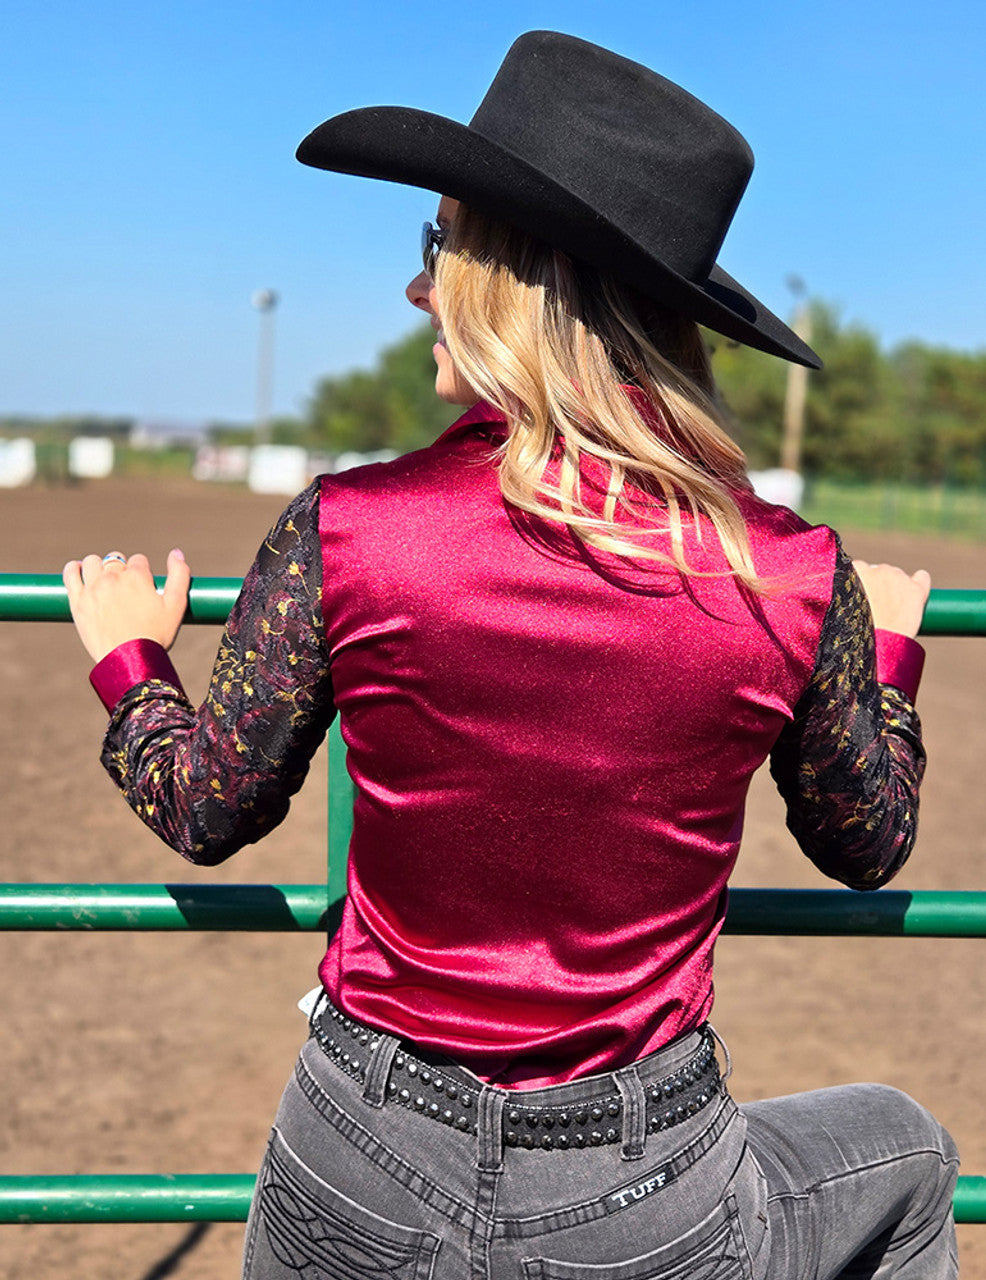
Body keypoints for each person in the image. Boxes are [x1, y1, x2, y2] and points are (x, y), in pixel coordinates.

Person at [63, 30, 957, 1280]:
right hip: (639, 1183)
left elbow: (207, 806)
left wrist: (127, 663)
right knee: (907, 1155)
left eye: (437, 248)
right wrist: (893, 662)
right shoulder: (790, 572)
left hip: (358, 1145)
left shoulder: (350, 526)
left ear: (505, 278)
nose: (417, 289)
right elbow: (866, 841)